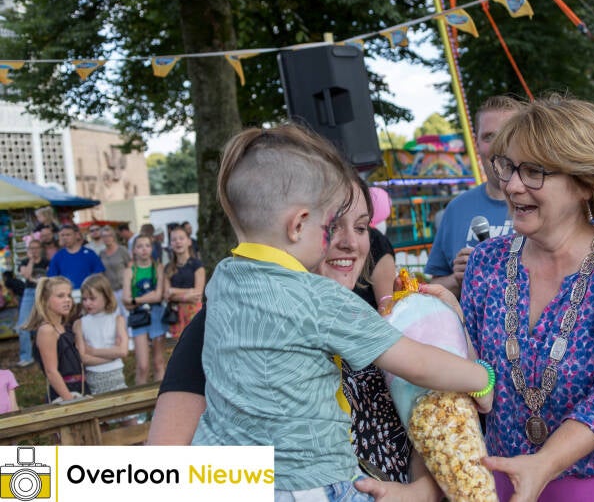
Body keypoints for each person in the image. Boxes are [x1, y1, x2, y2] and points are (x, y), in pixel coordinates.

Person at [188, 125, 492, 498]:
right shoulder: (320, 298)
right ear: (299, 224)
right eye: (330, 225)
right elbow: (413, 360)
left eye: (362, 227)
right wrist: (481, 377)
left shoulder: (223, 280)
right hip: (311, 479)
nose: (343, 240)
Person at [151, 171, 443, 499]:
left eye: (361, 227)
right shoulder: (231, 320)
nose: (350, 242)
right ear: (293, 227)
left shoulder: (386, 312)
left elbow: (432, 419)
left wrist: (423, 491)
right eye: (332, 226)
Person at [460, 94, 594, 501]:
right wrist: (434, 322)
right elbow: (467, 375)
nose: (511, 184)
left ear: (585, 183)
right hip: (506, 478)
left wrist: (545, 462)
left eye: (534, 171)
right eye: (507, 167)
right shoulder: (485, 263)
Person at [425, 95, 525, 298]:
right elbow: (433, 287)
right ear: (477, 144)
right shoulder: (457, 208)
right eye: (489, 137)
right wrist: (457, 278)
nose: (498, 146)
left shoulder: (539, 205)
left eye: (508, 134)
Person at [22, 276, 85, 403]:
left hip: (81, 388)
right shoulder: (47, 330)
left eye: (69, 295)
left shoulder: (65, 327)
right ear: (45, 300)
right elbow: (51, 371)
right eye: (60, 296)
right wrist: (70, 401)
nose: (67, 300)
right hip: (64, 394)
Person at [73, 274, 129, 395]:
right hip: (94, 377)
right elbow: (83, 358)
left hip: (116, 375)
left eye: (92, 298)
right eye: (84, 299)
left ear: (106, 297)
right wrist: (113, 355)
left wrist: (93, 351)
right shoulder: (80, 324)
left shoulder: (117, 319)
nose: (88, 303)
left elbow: (123, 351)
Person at [122, 234, 166, 385]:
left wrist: (136, 300)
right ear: (134, 250)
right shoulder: (130, 271)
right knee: (143, 366)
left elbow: (159, 296)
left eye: (147, 246)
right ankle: (140, 406)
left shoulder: (158, 268)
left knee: (159, 362)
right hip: (139, 317)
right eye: (140, 246)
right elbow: (126, 300)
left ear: (152, 248)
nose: (144, 250)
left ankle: (160, 402)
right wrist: (149, 297)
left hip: (157, 316)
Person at [163, 225, 204, 339]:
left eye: (181, 238)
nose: (178, 242)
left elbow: (197, 295)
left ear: (189, 241)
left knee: (196, 346)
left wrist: (174, 291)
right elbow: (166, 295)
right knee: (179, 350)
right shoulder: (168, 268)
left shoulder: (197, 265)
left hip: (194, 313)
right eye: (174, 240)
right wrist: (188, 293)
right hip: (175, 315)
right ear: (170, 244)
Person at [14, 239, 49, 368]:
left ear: (40, 248)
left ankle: (47, 354)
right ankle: (26, 357)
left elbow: (49, 278)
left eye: (36, 247)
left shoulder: (47, 262)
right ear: (28, 250)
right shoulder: (24, 262)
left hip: (44, 293)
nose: (34, 250)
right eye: (31, 248)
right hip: (29, 293)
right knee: (23, 325)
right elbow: (27, 276)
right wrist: (30, 261)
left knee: (46, 324)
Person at [47, 223, 105, 299]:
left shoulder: (89, 254)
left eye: (68, 235)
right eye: (62, 235)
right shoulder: (58, 256)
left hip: (88, 294)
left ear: (76, 235)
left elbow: (99, 275)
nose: (65, 238)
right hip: (67, 296)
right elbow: (52, 278)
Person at [99, 225, 131, 317]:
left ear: (113, 236)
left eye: (109, 235)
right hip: (110, 290)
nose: (107, 238)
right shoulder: (102, 253)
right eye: (104, 236)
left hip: (123, 288)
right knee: (114, 315)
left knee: (127, 314)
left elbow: (130, 267)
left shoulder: (122, 250)